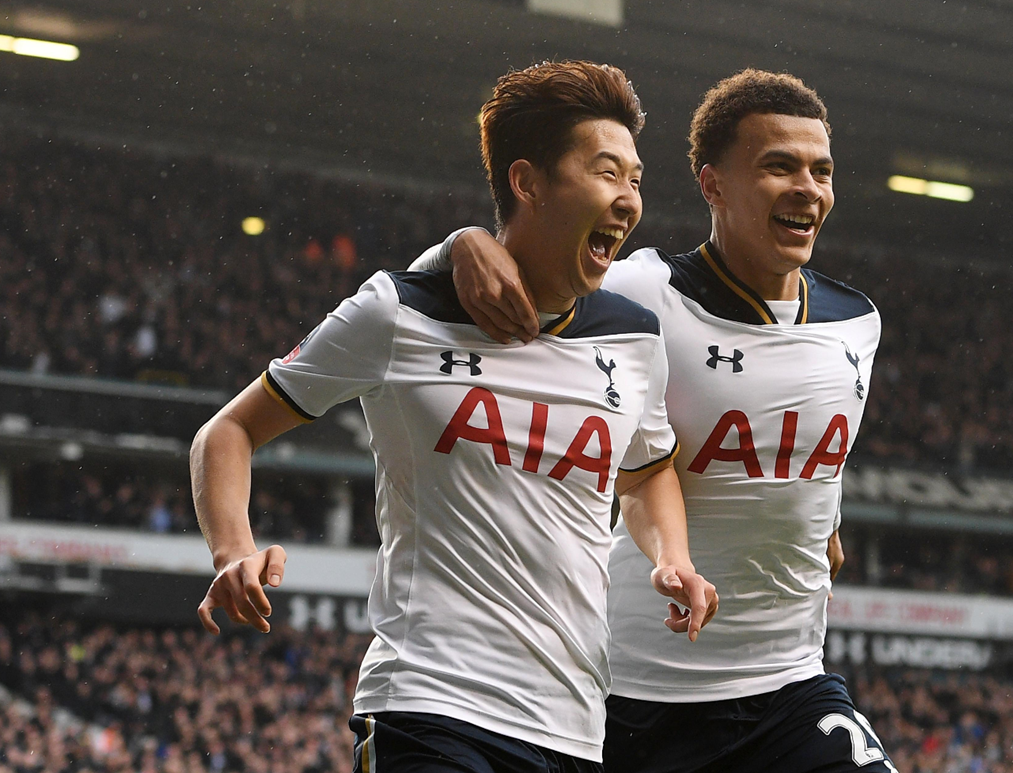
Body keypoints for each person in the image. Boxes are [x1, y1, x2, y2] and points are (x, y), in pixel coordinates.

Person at [190, 60, 717, 773]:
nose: (628, 199)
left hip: (573, 726)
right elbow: (228, 430)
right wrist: (232, 550)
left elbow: (648, 470)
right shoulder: (400, 311)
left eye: (635, 179)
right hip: (429, 704)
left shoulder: (635, 336)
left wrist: (672, 559)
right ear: (528, 182)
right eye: (605, 173)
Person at [413, 69, 894, 772]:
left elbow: (803, 460)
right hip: (630, 697)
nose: (807, 188)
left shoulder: (859, 322)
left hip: (788, 685)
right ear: (713, 184)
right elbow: (506, 275)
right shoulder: (646, 294)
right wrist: (460, 244)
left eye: (820, 170)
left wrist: (815, 520)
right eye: (778, 166)